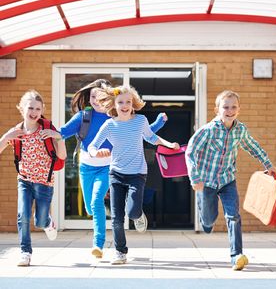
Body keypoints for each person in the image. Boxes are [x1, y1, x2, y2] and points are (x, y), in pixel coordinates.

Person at [42, 79, 167, 259]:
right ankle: (100, 232)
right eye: (93, 96)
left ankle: (98, 244)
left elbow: (142, 132)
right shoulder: (84, 116)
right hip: (86, 166)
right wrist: (46, 130)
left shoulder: (115, 116)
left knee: (96, 202)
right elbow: (63, 131)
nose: (95, 100)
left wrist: (159, 123)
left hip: (108, 167)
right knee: (90, 208)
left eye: (99, 97)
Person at [185, 90, 276, 271]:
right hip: (207, 182)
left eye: (233, 107)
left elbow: (252, 146)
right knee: (209, 221)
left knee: (233, 216)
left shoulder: (240, 130)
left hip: (228, 180)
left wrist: (268, 163)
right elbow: (191, 151)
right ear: (217, 110)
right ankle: (205, 217)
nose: (230, 110)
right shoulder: (208, 130)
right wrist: (194, 177)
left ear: (239, 109)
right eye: (225, 107)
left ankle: (236, 256)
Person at [88, 85, 179, 265]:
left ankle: (138, 215)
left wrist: (169, 145)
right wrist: (94, 153)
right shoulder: (109, 124)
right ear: (114, 104)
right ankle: (120, 251)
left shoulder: (140, 120)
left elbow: (151, 138)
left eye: (128, 102)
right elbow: (93, 145)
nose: (124, 105)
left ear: (133, 104)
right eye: (121, 102)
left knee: (132, 211)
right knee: (116, 217)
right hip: (116, 174)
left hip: (137, 173)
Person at [0, 90, 67, 267]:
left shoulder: (47, 129)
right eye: (30, 107)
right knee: (23, 215)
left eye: (38, 108)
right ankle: (25, 252)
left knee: (40, 221)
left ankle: (47, 222)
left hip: (44, 182)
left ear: (42, 109)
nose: (34, 112)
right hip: (24, 180)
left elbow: (62, 156)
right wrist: (6, 137)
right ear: (21, 108)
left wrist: (59, 138)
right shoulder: (17, 131)